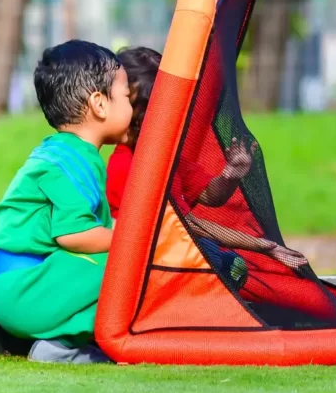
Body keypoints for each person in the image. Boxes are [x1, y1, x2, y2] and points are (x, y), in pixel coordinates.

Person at [0, 40, 133, 364]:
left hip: (12, 285)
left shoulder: (64, 152)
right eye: (127, 96)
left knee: (119, 257)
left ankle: (73, 340)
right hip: (23, 289)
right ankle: (62, 347)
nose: (132, 108)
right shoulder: (71, 163)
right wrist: (135, 238)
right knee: (129, 262)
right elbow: (75, 236)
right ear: (99, 104)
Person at [105, 46, 305, 270]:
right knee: (221, 260)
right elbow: (185, 224)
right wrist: (261, 245)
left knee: (228, 262)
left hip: (176, 252)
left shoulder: (163, 157)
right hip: (151, 265)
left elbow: (210, 195)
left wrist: (230, 175)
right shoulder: (127, 165)